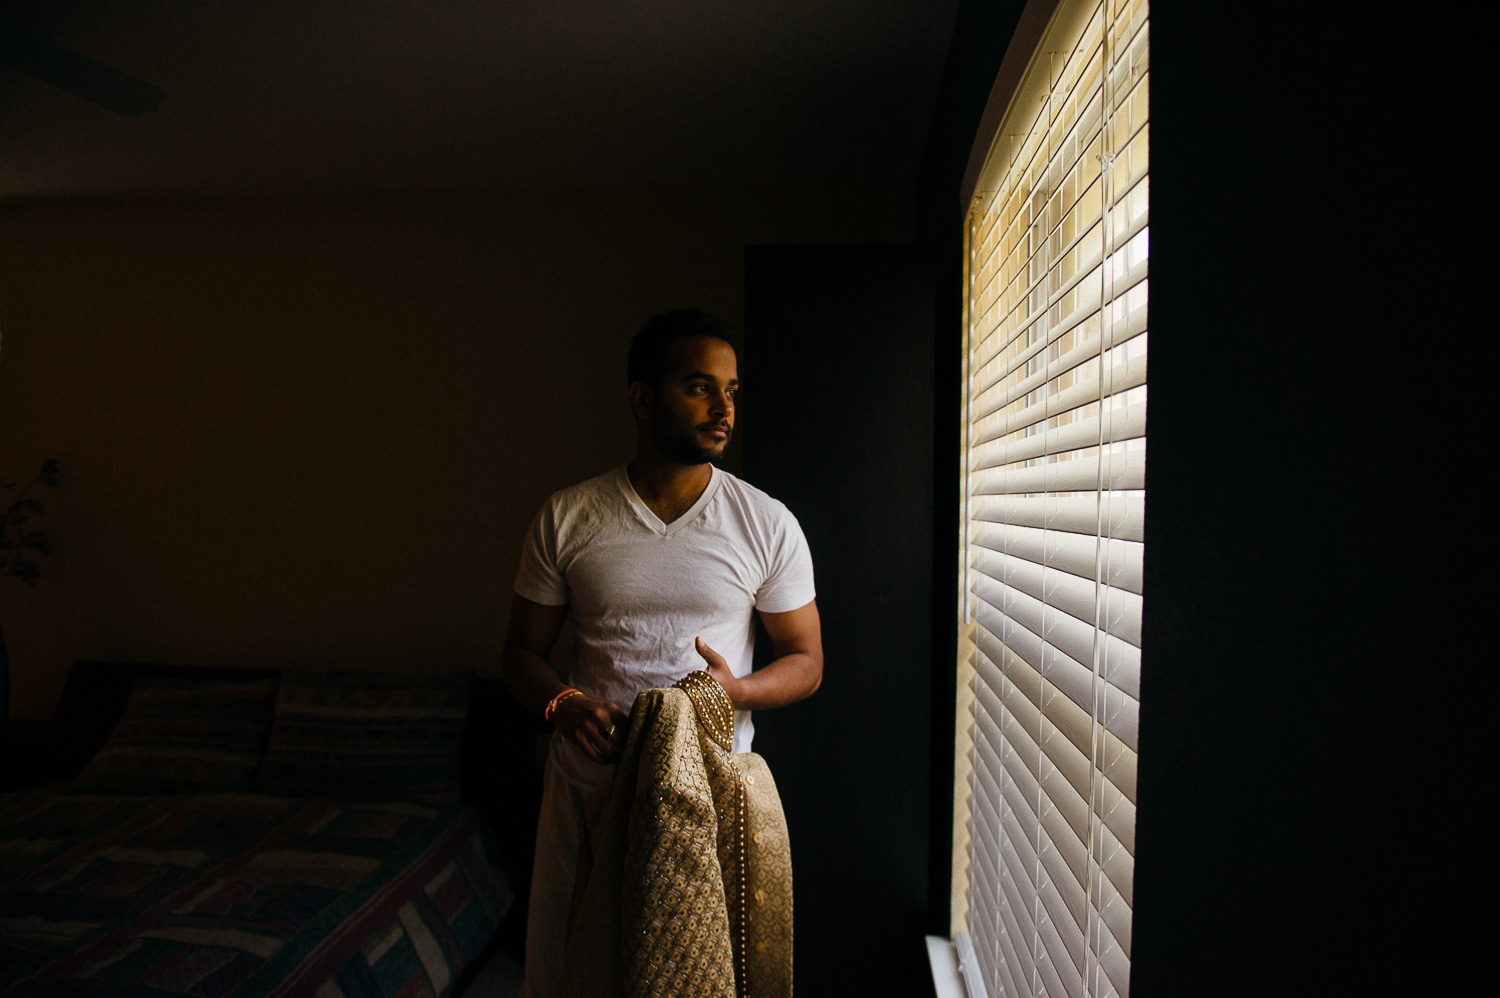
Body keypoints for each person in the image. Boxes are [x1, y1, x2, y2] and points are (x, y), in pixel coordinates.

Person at [502, 309, 823, 998]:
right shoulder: (569, 516)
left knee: (699, 976)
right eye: (699, 387)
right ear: (643, 400)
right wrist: (564, 704)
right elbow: (521, 656)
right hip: (590, 783)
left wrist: (736, 692)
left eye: (732, 391)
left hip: (710, 788)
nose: (722, 408)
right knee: (570, 971)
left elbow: (805, 661)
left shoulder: (765, 521)